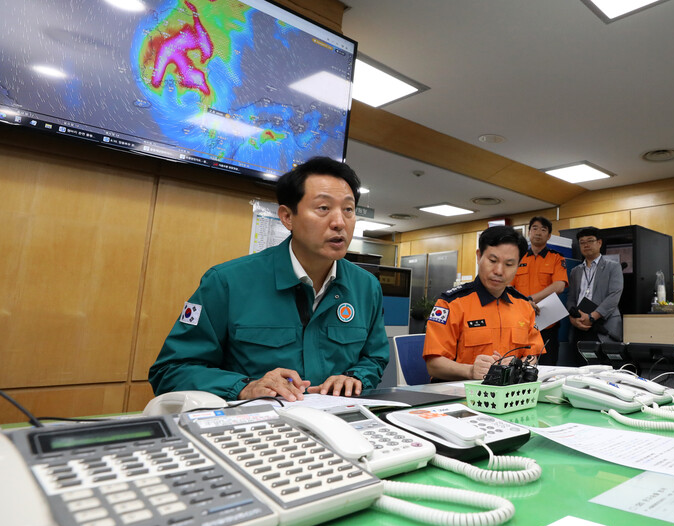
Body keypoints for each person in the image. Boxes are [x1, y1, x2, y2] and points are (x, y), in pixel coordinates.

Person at [149, 157, 389, 401]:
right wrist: (243, 386)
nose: (339, 222)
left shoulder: (366, 287)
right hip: (254, 429)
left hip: (338, 424)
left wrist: (355, 376)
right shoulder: (226, 282)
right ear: (287, 217)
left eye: (348, 210)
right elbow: (170, 371)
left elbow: (374, 357)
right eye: (323, 208)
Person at [423, 225, 545, 381]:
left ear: (518, 265)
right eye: (492, 260)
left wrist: (517, 364)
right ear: (479, 256)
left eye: (509, 264)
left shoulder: (523, 305)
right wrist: (470, 371)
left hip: (509, 396)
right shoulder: (451, 304)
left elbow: (533, 355)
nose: (499, 271)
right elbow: (433, 364)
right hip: (460, 394)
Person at [510, 216, 568, 365]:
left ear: (549, 236)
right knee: (518, 364)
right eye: (535, 228)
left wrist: (530, 299)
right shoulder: (518, 258)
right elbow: (508, 287)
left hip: (547, 323)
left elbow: (560, 285)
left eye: (543, 230)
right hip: (520, 322)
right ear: (529, 233)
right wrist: (525, 303)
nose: (538, 232)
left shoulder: (556, 258)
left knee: (546, 366)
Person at [567, 227, 623, 354]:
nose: (586, 245)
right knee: (578, 366)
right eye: (582, 242)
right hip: (579, 324)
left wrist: (592, 317)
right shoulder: (575, 271)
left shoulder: (613, 267)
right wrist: (572, 318)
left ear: (599, 243)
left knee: (604, 368)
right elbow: (571, 298)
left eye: (590, 241)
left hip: (604, 325)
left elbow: (614, 295)